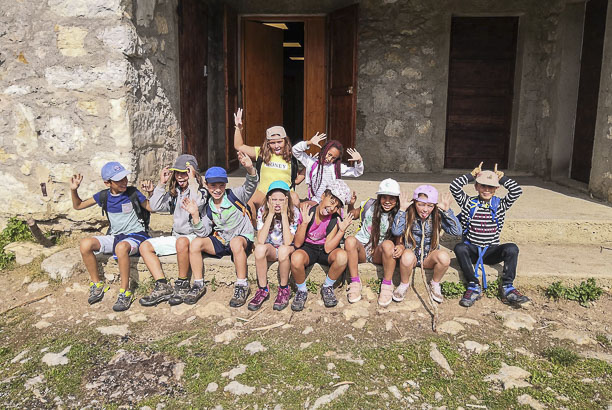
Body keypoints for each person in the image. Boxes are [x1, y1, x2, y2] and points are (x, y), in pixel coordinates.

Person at [70, 162, 152, 312]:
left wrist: (151, 193)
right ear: (108, 183)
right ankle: (97, 284)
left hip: (137, 236)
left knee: (121, 248)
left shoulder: (133, 193)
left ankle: (125, 292)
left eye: (125, 178)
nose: (124, 182)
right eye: (119, 180)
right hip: (116, 236)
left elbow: (151, 207)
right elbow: (78, 205)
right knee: (85, 244)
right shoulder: (103, 196)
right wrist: (74, 190)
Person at [184, 151, 258, 307]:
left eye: (221, 185)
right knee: (196, 243)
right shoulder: (208, 206)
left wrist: (250, 169)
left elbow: (251, 184)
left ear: (226, 184)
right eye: (213, 185)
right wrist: (196, 215)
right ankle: (198, 284)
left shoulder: (235, 195)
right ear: (207, 185)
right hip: (223, 241)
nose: (217, 189)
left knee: (236, 243)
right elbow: (203, 233)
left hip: (241, 238)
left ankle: (241, 284)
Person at [450, 162, 529, 307]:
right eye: (482, 186)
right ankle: (473, 285)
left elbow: (517, 191)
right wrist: (471, 175)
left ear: (496, 188)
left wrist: (502, 178)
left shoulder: (500, 204)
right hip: (473, 249)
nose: (486, 190)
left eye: (490, 187)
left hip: (491, 250)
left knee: (512, 248)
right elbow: (454, 186)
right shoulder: (468, 203)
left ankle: (508, 287)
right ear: (476, 187)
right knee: (460, 248)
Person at [138, 154, 207, 307]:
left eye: (185, 172)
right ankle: (162, 285)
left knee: (182, 242)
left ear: (193, 172)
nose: (181, 177)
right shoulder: (176, 193)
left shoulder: (201, 190)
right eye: (178, 173)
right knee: (145, 246)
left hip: (195, 237)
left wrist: (193, 180)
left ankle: (182, 284)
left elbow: (197, 202)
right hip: (178, 237)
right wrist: (161, 185)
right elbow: (155, 206)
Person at [389, 185, 461, 306]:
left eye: (430, 205)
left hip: (428, 257)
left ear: (434, 206)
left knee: (444, 257)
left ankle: (435, 283)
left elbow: (457, 231)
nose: (425, 209)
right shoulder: (407, 215)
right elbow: (396, 231)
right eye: (421, 204)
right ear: (414, 203)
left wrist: (447, 211)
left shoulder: (437, 216)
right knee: (406, 256)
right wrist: (401, 210)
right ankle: (404, 284)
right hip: (412, 256)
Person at [290, 180, 353, 311]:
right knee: (296, 258)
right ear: (323, 196)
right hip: (308, 247)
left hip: (324, 249)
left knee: (342, 256)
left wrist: (341, 231)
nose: (332, 208)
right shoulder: (308, 212)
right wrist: (304, 224)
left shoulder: (335, 219)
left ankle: (328, 287)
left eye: (336, 207)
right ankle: (301, 290)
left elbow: (328, 248)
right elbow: (297, 243)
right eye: (331, 202)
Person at [232, 108, 303, 216]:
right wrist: (238, 128)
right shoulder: (261, 153)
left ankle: (292, 226)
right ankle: (255, 229)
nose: (277, 146)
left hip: (285, 193)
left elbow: (296, 180)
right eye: (272, 143)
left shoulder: (291, 156)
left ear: (285, 141)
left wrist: (310, 166)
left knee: (296, 200)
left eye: (279, 142)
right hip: (264, 192)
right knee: (249, 202)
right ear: (268, 143)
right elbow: (239, 146)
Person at [344, 179, 403, 304]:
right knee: (349, 241)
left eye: (392, 198)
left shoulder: (399, 212)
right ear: (379, 197)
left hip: (379, 253)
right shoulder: (369, 205)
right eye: (384, 197)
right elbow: (352, 214)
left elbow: (400, 235)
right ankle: (355, 281)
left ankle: (387, 285)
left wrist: (400, 246)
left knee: (388, 245)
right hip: (362, 249)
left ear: (397, 199)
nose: (387, 201)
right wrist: (351, 204)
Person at [248, 180, 302, 311]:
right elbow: (260, 240)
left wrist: (284, 215)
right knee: (260, 249)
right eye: (274, 199)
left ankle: (284, 288)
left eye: (281, 200)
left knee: (283, 250)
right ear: (268, 200)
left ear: (287, 200)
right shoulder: (263, 211)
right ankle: (262, 289)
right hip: (271, 248)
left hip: (286, 248)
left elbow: (288, 241)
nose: (277, 203)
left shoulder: (294, 212)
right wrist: (270, 214)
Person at [292, 132, 364, 203]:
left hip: (331, 202)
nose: (329, 159)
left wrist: (359, 161)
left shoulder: (336, 167)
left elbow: (357, 172)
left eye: (333, 158)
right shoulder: (311, 162)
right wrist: (309, 142)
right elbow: (295, 150)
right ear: (324, 150)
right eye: (329, 154)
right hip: (316, 200)